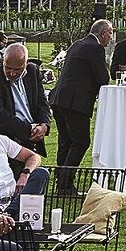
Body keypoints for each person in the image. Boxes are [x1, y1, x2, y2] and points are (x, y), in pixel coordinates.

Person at [50, 18, 113, 192]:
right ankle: (65, 183)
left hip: (59, 98)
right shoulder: (95, 48)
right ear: (102, 33)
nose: (111, 37)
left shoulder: (78, 44)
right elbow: (103, 78)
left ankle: (61, 182)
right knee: (80, 142)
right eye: (110, 32)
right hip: (76, 102)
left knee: (65, 142)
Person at [0, 42, 50, 155]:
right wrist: (28, 130)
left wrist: (44, 125)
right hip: (6, 139)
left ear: (26, 64)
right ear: (3, 61)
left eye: (17, 69)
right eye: (7, 68)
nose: (12, 73)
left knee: (33, 170)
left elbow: (41, 101)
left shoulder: (33, 71)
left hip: (32, 137)